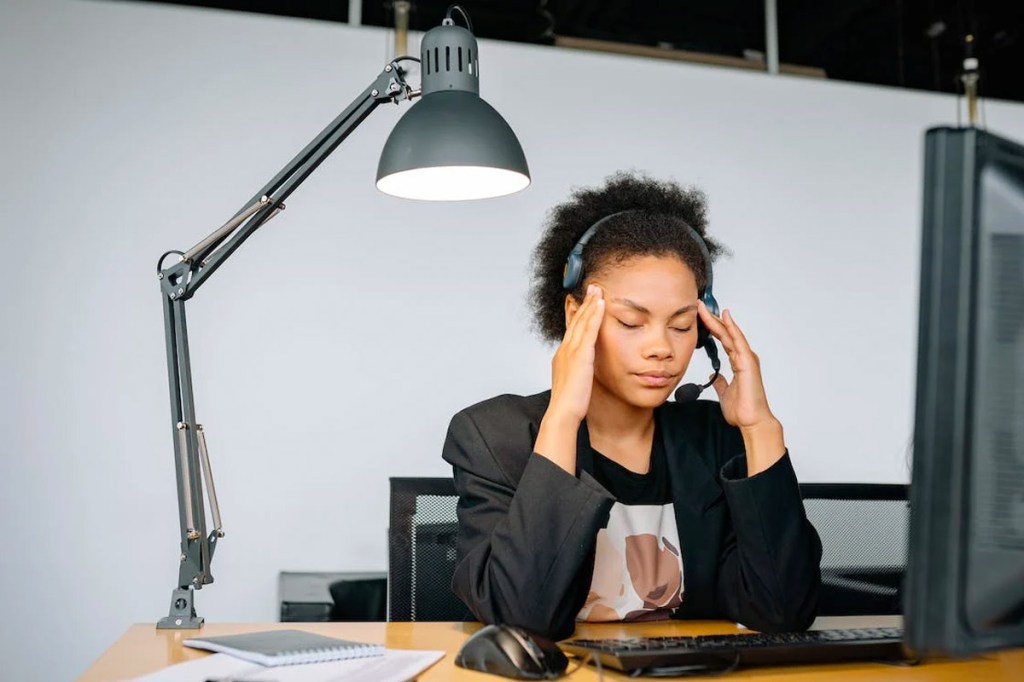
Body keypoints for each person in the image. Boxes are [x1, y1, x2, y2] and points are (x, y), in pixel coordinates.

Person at [441, 171, 822, 641]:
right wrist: (563, 415)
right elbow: (523, 621)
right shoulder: (495, 435)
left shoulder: (713, 437)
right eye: (630, 322)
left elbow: (784, 611)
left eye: (681, 326)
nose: (661, 348)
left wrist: (760, 427)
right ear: (576, 316)